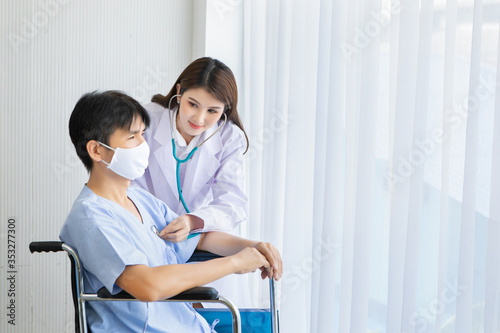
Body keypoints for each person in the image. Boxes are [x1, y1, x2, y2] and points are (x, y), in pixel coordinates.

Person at [59, 91, 282, 333]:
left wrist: (253, 247)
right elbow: (148, 286)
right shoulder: (91, 218)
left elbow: (199, 238)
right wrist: (235, 262)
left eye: (143, 134)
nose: (143, 145)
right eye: (132, 137)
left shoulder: (139, 199)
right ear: (96, 151)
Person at [133, 57, 248, 242]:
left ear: (225, 109)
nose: (199, 119)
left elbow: (233, 203)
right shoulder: (146, 121)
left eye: (212, 111)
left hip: (196, 238)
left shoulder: (230, 138)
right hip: (145, 233)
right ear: (179, 92)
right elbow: (126, 184)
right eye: (193, 104)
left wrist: (192, 222)